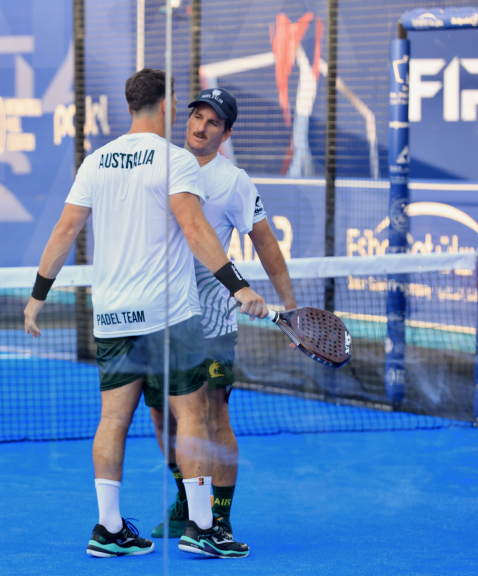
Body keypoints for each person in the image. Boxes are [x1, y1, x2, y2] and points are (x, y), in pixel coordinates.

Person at [24, 69, 268, 559]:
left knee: (113, 419)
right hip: (169, 317)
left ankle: (108, 528)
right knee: (191, 415)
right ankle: (202, 527)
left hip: (112, 316)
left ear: (130, 105)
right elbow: (196, 230)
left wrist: (37, 297)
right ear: (166, 105)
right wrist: (238, 287)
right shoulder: (175, 160)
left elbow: (64, 231)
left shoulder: (96, 162)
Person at [149, 88, 297, 540]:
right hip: (157, 313)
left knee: (213, 416)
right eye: (197, 116)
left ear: (226, 134)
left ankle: (220, 515)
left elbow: (265, 243)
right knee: (163, 416)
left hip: (211, 319)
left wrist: (291, 307)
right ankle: (187, 499)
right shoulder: (159, 165)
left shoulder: (234, 181)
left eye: (213, 122)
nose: (201, 126)